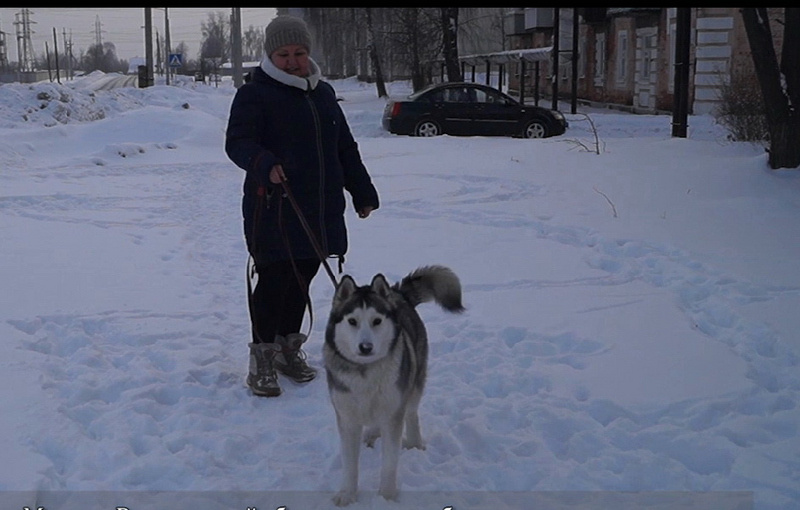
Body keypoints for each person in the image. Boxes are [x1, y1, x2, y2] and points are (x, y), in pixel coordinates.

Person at [225, 15, 380, 397]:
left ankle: (288, 348)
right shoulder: (255, 94)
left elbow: (344, 148)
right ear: (270, 55)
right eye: (284, 54)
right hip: (274, 208)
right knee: (274, 282)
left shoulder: (323, 94)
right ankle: (262, 357)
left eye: (299, 52)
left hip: (320, 209)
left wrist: (362, 192)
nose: (292, 60)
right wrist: (264, 163)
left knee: (301, 280)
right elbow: (238, 143)